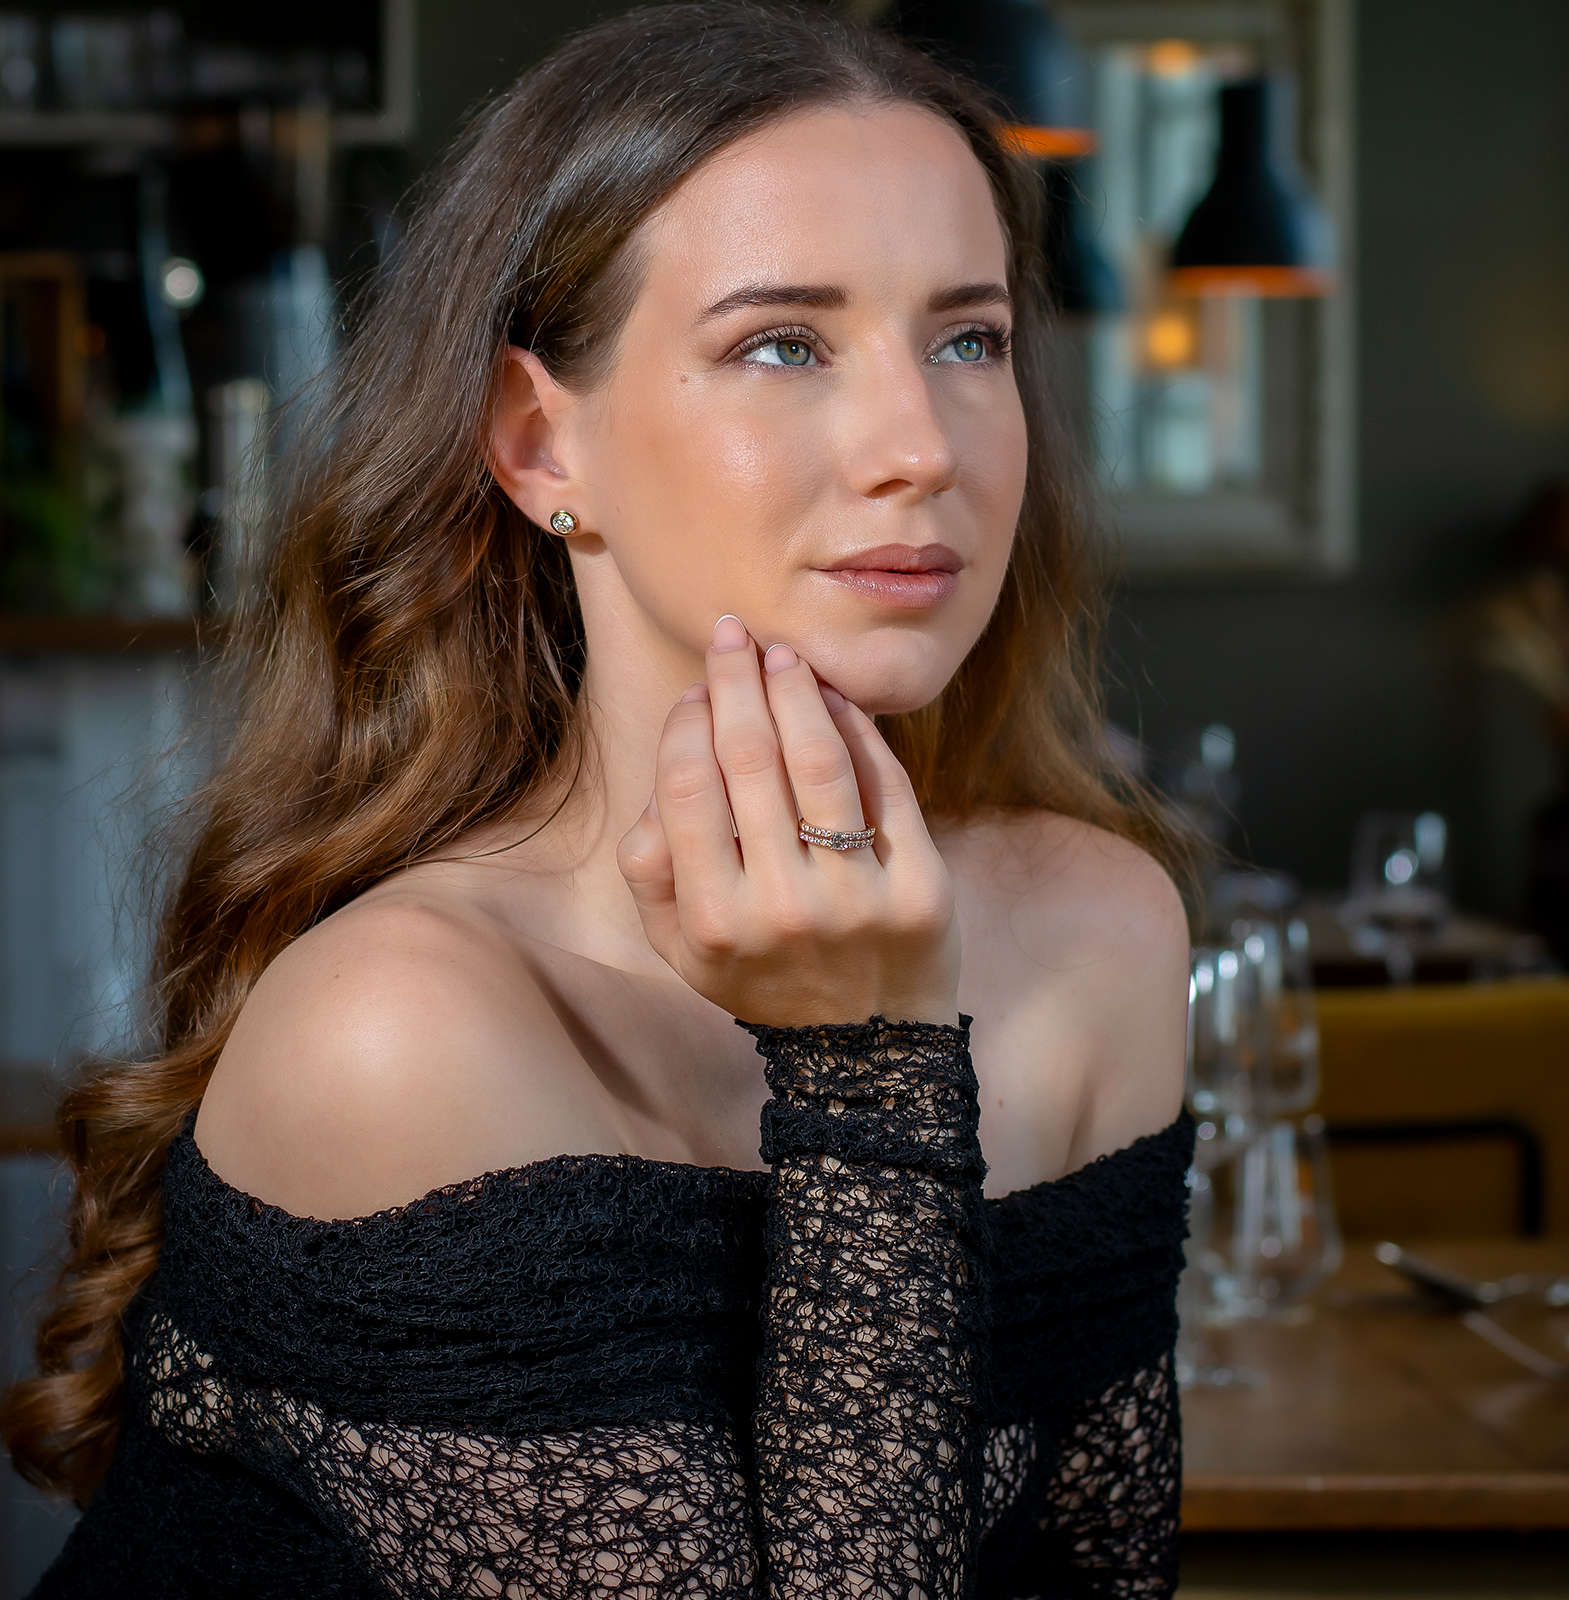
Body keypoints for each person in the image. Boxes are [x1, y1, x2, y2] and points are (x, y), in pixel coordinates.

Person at [3, 5, 1194, 1595]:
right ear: (537, 442)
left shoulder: (1102, 930)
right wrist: (874, 1070)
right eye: (784, 344)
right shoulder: (400, 1031)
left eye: (967, 340)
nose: (921, 447)